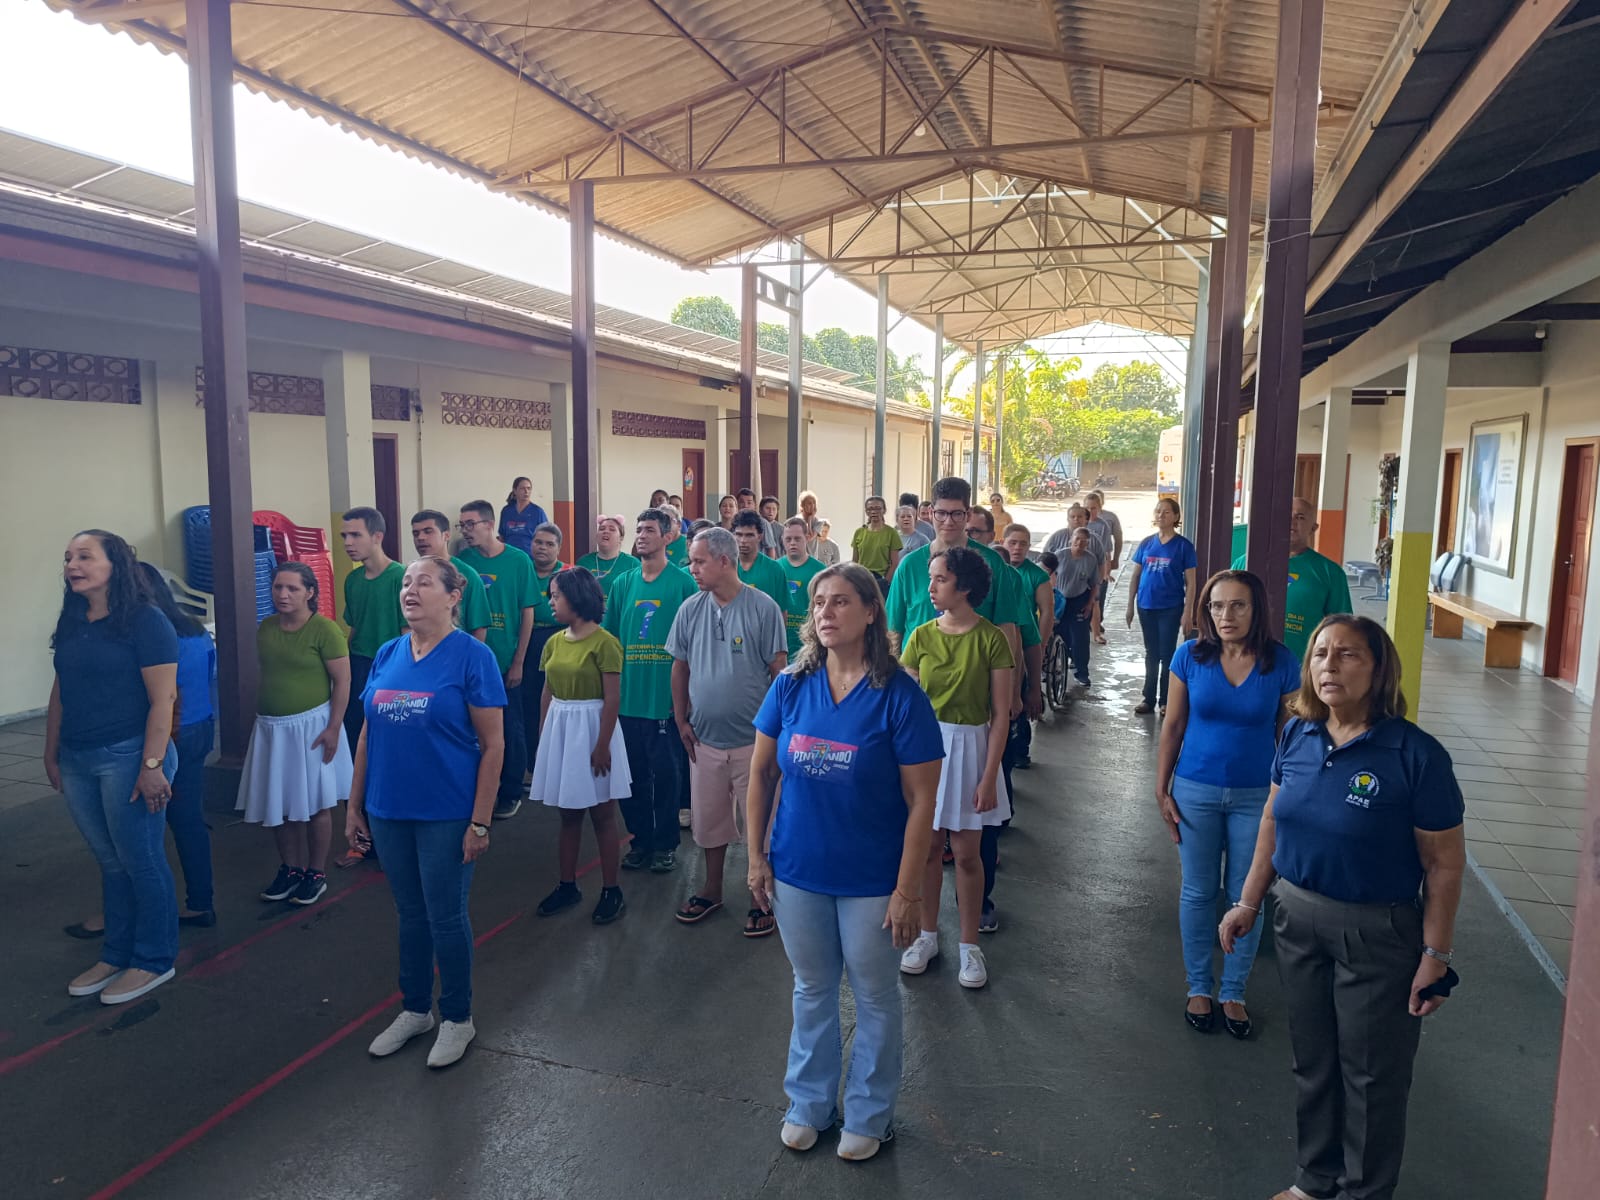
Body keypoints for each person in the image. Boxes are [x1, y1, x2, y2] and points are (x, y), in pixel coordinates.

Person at [1220, 615, 1465, 1200]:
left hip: (1378, 932)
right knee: (1314, 1062)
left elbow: (1443, 865)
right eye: (1320, 654)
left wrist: (1435, 954)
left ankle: (1363, 1192)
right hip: (1297, 918)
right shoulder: (1297, 735)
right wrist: (1248, 900)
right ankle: (1315, 1181)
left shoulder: (1416, 755)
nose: (1329, 665)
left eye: (1348, 654)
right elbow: (1273, 821)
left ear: (1378, 669)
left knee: (1372, 1075)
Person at [746, 563, 942, 1161]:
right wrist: (755, 857)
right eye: (818, 603)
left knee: (875, 995)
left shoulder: (900, 696)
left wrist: (908, 890)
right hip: (798, 870)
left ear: (870, 612)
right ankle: (808, 1103)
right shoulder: (791, 685)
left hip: (873, 879)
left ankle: (869, 1114)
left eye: (840, 602)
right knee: (811, 988)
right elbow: (761, 774)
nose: (825, 613)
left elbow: (922, 801)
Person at [347, 556, 505, 1069]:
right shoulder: (388, 652)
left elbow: (494, 745)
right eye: (407, 583)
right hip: (388, 808)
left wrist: (480, 820)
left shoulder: (472, 657)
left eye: (424, 583)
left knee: (445, 915)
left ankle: (457, 1017)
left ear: (454, 596)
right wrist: (354, 804)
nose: (410, 591)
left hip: (446, 812)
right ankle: (415, 1010)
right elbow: (367, 734)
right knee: (410, 914)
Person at [1156, 570, 1300, 1040]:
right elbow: (1173, 725)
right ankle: (1199, 986)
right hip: (1194, 791)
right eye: (1216, 606)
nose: (1226, 615)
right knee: (1198, 892)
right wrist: (1161, 788)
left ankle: (1234, 992)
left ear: (1256, 610)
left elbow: (1289, 736)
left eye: (1238, 605)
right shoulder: (1189, 657)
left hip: (1257, 797)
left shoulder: (1281, 662)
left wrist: (1290, 798)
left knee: (1245, 895)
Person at [46, 531, 180, 1005]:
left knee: (141, 860)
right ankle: (116, 953)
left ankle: (154, 959)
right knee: (110, 861)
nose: (72, 565)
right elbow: (62, 689)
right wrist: (51, 750)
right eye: (68, 557)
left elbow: (163, 699)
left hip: (129, 755)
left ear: (115, 565)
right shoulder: (73, 618)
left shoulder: (145, 621)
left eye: (85, 556)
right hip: (78, 756)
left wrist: (152, 765)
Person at [897, 547, 1013, 989]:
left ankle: (969, 946)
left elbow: (1000, 716)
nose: (930, 587)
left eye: (940, 579)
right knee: (927, 848)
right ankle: (927, 936)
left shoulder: (991, 639)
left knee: (966, 854)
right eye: (930, 578)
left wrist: (989, 775)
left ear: (964, 587)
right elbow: (906, 706)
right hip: (926, 750)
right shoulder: (921, 636)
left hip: (971, 748)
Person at [668, 528, 787, 934]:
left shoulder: (763, 607)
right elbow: (680, 667)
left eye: (699, 561)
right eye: (692, 560)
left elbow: (779, 672)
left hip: (755, 742)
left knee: (762, 825)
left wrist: (777, 732)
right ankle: (712, 888)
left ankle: (761, 896)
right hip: (704, 740)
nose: (692, 568)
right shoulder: (690, 609)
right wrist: (681, 719)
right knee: (709, 821)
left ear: (724, 561)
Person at [238, 562, 353, 907]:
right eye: (278, 587)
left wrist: (333, 727)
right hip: (273, 729)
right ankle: (290, 869)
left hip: (312, 728)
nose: (283, 594)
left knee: (316, 803)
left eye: (292, 588)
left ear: (310, 592)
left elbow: (342, 681)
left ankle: (315, 873)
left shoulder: (325, 630)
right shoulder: (266, 628)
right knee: (281, 802)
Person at [532, 567, 630, 925]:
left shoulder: (605, 642)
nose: (551, 602)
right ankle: (567, 885)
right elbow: (547, 692)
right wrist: (544, 738)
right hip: (562, 728)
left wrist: (602, 745)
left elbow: (612, 698)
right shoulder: (554, 642)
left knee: (603, 815)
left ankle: (611, 890)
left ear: (577, 597)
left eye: (556, 596)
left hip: (593, 727)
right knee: (568, 815)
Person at [604, 508, 697, 873]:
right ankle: (640, 841)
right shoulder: (622, 583)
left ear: (668, 537)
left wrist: (686, 700)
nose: (641, 536)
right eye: (639, 530)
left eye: (649, 530)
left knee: (667, 776)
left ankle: (665, 844)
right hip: (628, 700)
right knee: (632, 778)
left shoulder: (683, 584)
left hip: (664, 701)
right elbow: (610, 640)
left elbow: (694, 644)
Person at [456, 499, 536, 820]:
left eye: (470, 524)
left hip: (504, 660)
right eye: (462, 525)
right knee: (472, 730)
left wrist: (518, 661)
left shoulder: (518, 561)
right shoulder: (463, 562)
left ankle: (510, 791)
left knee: (510, 728)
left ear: (490, 525)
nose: (465, 531)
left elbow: (526, 613)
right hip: (470, 662)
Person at [1230, 496, 1354, 662]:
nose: (1292, 522)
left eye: (1300, 517)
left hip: (1301, 665)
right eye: (1285, 516)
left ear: (1313, 528)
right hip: (1249, 660)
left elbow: (1342, 626)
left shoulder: (1330, 572)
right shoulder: (1245, 562)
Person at [339, 507, 403, 765]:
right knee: (355, 732)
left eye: (355, 535)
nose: (348, 543)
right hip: (359, 665)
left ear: (377, 537)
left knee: (387, 736)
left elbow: (409, 633)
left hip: (392, 667)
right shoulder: (352, 580)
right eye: (344, 536)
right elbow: (354, 627)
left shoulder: (401, 576)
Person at [1124, 497, 1199, 716]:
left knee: (1167, 653)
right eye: (1158, 511)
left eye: (1166, 512)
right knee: (1151, 653)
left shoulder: (1184, 546)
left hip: (1170, 607)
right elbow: (1136, 576)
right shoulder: (1147, 543)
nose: (1161, 515)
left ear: (1176, 516)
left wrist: (1188, 611)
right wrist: (1130, 605)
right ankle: (1148, 698)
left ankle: (1166, 700)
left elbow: (1191, 582)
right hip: (1146, 605)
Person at [1001, 524, 1052, 771]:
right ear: (1004, 542)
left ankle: (1021, 749)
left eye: (1023, 544)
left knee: (1019, 698)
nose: (1017, 548)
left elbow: (1047, 612)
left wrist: (1038, 646)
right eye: (1012, 543)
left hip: (1023, 639)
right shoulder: (994, 570)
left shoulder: (1036, 576)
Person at [522, 522, 567, 775]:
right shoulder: (523, 570)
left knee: (555, 702)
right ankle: (532, 764)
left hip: (559, 639)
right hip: (528, 643)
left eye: (549, 544)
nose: (542, 548)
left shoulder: (568, 573)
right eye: (538, 542)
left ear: (559, 548)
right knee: (530, 704)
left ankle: (557, 761)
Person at [408, 510, 491, 641]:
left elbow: (479, 628)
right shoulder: (411, 576)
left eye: (428, 531)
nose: (421, 538)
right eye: (416, 533)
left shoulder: (467, 575)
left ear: (446, 535)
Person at [1053, 528, 1099, 688]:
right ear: (1071, 539)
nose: (1079, 543)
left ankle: (1082, 673)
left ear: (1088, 543)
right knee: (1059, 634)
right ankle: (1054, 669)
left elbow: (1094, 584)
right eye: (1077, 539)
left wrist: (1090, 604)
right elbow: (1048, 575)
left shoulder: (1090, 559)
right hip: (1060, 600)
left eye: (1084, 541)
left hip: (1079, 599)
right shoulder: (1060, 555)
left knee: (1080, 638)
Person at [778, 518, 825, 659]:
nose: (792, 543)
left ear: (807, 538)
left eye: (797, 539)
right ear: (782, 540)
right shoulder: (774, 568)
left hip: (810, 643)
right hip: (780, 642)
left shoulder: (820, 571)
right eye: (788, 539)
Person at [1084, 490, 1123, 645]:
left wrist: (1107, 571)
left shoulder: (1103, 525)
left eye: (1093, 508)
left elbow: (1107, 550)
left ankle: (1096, 628)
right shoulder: (1080, 522)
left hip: (1096, 566)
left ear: (1099, 508)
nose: (1090, 511)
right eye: (1087, 508)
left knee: (1096, 599)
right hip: (1080, 566)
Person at [577, 515, 641, 604]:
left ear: (621, 538)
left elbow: (637, 595)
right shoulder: (583, 562)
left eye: (612, 529)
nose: (606, 531)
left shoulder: (633, 564)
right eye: (602, 529)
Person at [732, 510, 789, 609]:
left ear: (760, 537)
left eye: (749, 535)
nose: (743, 540)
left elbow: (782, 610)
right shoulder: (725, 567)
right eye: (739, 535)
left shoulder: (775, 569)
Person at [850, 497, 899, 583]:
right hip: (862, 578)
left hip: (881, 578)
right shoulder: (859, 532)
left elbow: (894, 563)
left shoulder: (891, 533)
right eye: (870, 509)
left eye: (878, 508)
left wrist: (885, 582)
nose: (874, 512)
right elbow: (855, 561)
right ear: (866, 511)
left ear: (884, 510)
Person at [499, 476, 549, 558]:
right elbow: (502, 536)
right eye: (522, 488)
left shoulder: (538, 512)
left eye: (529, 488)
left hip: (530, 558)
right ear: (515, 490)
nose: (526, 491)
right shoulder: (506, 511)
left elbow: (546, 535)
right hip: (510, 556)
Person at [735, 488, 780, 556]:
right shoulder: (734, 522)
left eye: (749, 503)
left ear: (755, 505)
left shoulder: (763, 523)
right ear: (737, 504)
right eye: (742, 502)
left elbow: (770, 549)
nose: (745, 505)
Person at [662, 505, 692, 569]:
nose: (664, 524)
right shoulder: (654, 545)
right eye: (661, 521)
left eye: (668, 520)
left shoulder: (690, 544)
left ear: (679, 525)